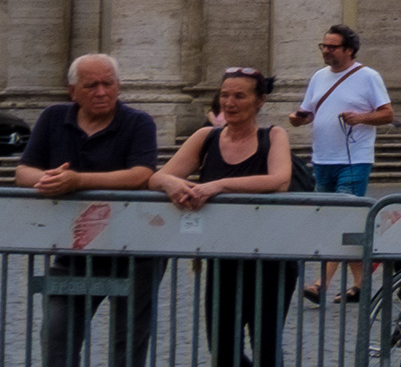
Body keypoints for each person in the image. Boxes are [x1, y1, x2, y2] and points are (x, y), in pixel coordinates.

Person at [15, 54, 165, 367]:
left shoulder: (139, 122)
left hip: (135, 251)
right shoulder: (53, 117)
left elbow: (140, 175)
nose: (101, 92)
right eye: (91, 85)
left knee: (128, 342)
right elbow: (24, 171)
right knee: (57, 334)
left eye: (108, 84)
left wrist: (78, 181)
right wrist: (51, 180)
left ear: (119, 85)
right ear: (72, 91)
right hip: (73, 251)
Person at [152, 68, 289, 367]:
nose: (229, 102)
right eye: (225, 95)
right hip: (222, 255)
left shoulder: (273, 135)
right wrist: (171, 183)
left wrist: (219, 185)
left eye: (240, 96)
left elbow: (279, 180)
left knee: (266, 346)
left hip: (270, 258)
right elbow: (157, 177)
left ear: (260, 101)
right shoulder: (206, 137)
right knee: (222, 348)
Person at [296, 19, 395, 297]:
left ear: (349, 49)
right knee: (341, 222)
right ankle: (362, 284)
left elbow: (387, 114)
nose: (326, 50)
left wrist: (361, 117)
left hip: (354, 159)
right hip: (322, 160)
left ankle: (321, 284)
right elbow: (308, 111)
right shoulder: (319, 77)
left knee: (339, 219)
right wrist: (297, 118)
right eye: (324, 46)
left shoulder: (368, 76)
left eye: (332, 46)